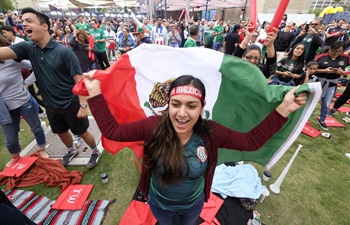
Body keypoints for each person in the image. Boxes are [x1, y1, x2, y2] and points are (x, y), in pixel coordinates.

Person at [83, 72, 307, 225]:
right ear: (168, 104)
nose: (182, 113)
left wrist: (284, 109)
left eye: (191, 106)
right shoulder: (152, 127)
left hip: (194, 204)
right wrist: (94, 93)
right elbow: (112, 131)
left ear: (202, 107)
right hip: (159, 203)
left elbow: (250, 142)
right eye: (175, 104)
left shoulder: (210, 132)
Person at [0, 7, 101, 169]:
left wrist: (83, 106)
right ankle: (71, 149)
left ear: (45, 26)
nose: (23, 23)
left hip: (71, 103)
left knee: (81, 132)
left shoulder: (64, 52)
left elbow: (80, 81)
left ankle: (95, 151)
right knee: (60, 132)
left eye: (29, 20)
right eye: (22, 20)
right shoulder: (28, 48)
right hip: (51, 105)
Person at [0, 34, 48, 168]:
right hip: (4, 109)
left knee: (36, 127)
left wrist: (27, 83)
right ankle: (15, 156)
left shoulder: (11, 60)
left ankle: (42, 149)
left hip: (24, 103)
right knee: (9, 138)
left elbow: (37, 66)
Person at [315, 41, 350, 130]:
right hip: (318, 81)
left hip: (332, 82)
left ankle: (322, 120)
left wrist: (343, 72)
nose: (337, 53)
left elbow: (348, 69)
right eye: (335, 50)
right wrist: (324, 71)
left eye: (340, 51)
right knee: (310, 101)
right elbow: (311, 69)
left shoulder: (345, 58)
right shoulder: (322, 57)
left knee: (326, 103)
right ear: (330, 48)